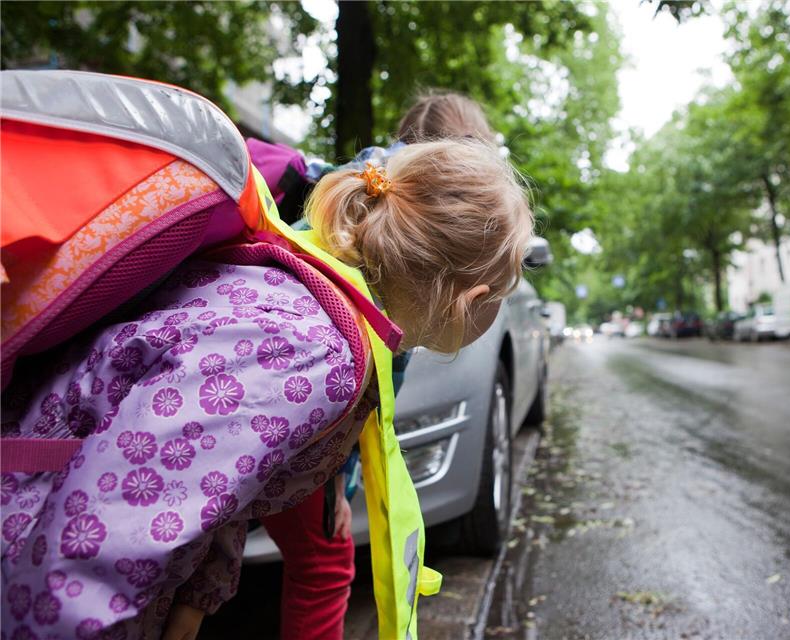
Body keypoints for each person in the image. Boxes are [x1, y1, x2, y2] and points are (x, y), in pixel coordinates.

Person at [0, 138, 533, 639]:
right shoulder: (310, 354)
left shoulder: (312, 301)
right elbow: (95, 547)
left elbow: (218, 473)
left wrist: (196, 594)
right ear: (473, 299)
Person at [259, 91, 500, 640]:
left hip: (253, 398)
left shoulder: (366, 187)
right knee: (324, 567)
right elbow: (370, 390)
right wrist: (336, 487)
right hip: (295, 423)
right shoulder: (422, 232)